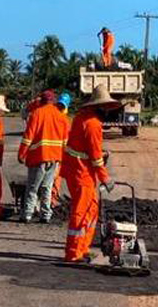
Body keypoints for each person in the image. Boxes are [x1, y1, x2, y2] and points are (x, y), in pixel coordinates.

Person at [61, 83, 119, 263]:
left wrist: (99, 155)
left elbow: (85, 148)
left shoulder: (81, 117)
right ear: (100, 106)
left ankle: (83, 248)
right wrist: (105, 178)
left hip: (75, 169)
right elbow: (94, 157)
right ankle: (73, 253)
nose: (108, 111)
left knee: (91, 209)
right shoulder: (93, 124)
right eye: (106, 107)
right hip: (81, 173)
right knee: (81, 211)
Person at [16, 89, 68, 223]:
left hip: (39, 157)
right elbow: (65, 141)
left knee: (33, 187)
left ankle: (27, 214)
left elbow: (28, 137)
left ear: (41, 100)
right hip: (55, 158)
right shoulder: (61, 116)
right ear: (54, 101)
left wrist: (22, 154)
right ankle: (45, 214)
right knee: (47, 187)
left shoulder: (36, 114)